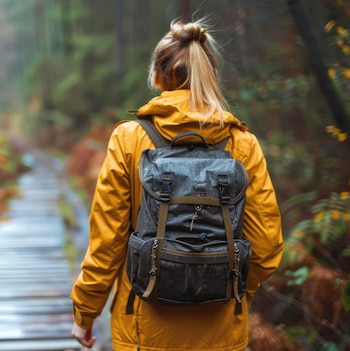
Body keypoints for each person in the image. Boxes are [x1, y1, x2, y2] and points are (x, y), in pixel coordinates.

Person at [70, 19, 284, 351]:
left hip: (144, 330)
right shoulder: (242, 144)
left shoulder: (129, 139)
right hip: (222, 332)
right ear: (211, 74)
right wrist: (228, 289)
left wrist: (85, 313)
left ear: (156, 76)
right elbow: (267, 247)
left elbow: (107, 243)